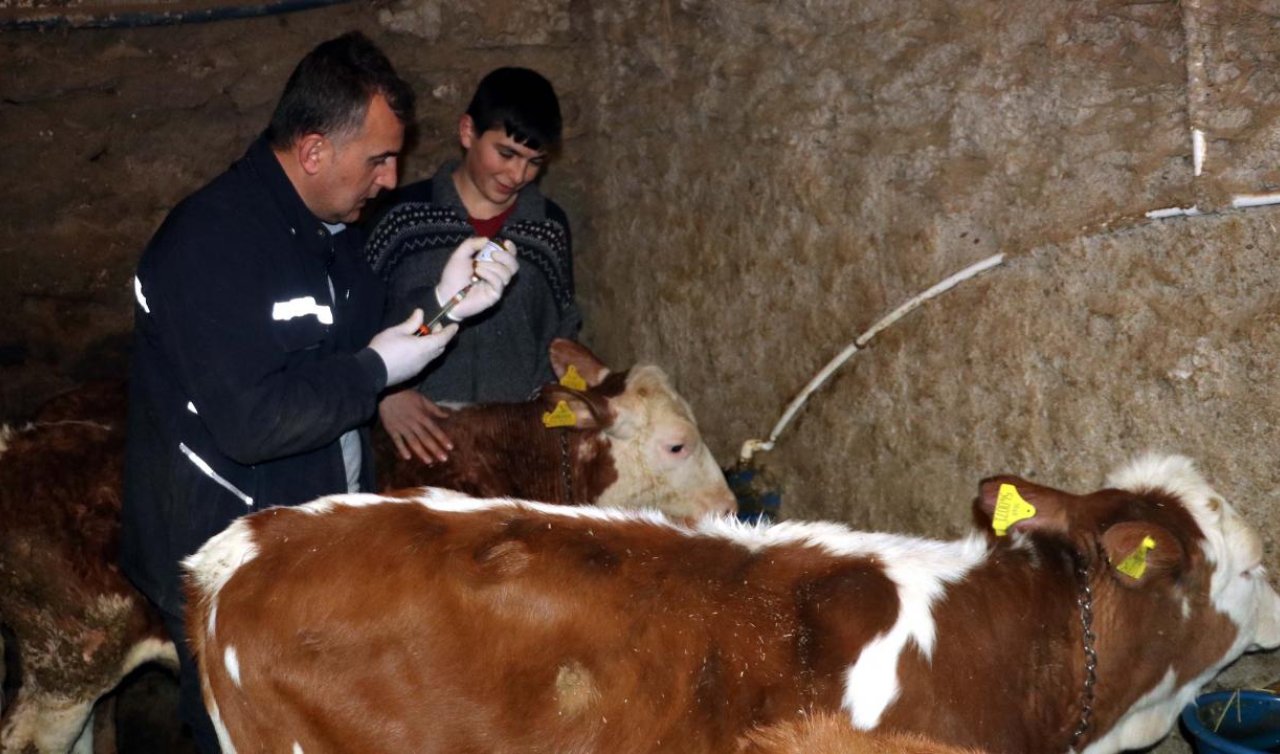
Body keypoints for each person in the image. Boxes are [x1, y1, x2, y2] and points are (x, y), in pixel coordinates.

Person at [120, 32, 517, 753]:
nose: (391, 179)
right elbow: (253, 421)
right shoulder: (208, 246)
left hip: (307, 535)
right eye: (379, 158)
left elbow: (368, 342)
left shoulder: (332, 233)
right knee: (247, 731)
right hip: (227, 558)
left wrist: (446, 305)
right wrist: (374, 371)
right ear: (312, 151)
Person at [364, 66, 580, 466]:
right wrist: (384, 395)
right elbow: (358, 321)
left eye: (535, 161)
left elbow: (560, 335)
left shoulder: (548, 228)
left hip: (514, 452)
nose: (518, 175)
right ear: (467, 132)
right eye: (507, 153)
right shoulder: (400, 217)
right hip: (413, 451)